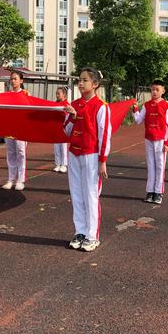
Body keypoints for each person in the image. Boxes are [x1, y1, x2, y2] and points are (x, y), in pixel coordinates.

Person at [64, 67, 111, 252]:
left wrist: (103, 160)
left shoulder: (101, 106)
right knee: (76, 194)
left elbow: (104, 134)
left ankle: (93, 235)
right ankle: (80, 231)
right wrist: (72, 117)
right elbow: (66, 131)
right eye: (79, 80)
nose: (80, 83)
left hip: (91, 155)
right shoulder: (73, 104)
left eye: (84, 80)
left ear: (95, 84)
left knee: (91, 194)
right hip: (74, 153)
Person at [132, 80, 168, 204]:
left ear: (163, 91)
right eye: (152, 89)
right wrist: (135, 110)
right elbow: (138, 120)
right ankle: (150, 191)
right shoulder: (147, 105)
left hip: (161, 140)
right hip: (149, 139)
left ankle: (158, 192)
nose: (154, 92)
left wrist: (167, 143)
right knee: (151, 166)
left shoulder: (167, 106)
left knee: (160, 166)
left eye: (157, 89)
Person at [2, 70, 29, 191]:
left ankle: (20, 180)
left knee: (21, 153)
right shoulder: (7, 95)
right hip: (9, 127)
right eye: (11, 79)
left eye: (15, 79)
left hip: (21, 128)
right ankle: (11, 179)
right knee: (11, 153)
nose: (13, 81)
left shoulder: (26, 94)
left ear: (21, 81)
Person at [53, 86, 69, 173]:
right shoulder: (54, 104)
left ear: (64, 95)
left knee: (63, 147)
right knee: (56, 147)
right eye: (56, 93)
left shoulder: (67, 105)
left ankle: (64, 164)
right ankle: (57, 164)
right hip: (56, 129)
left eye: (59, 93)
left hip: (63, 129)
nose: (57, 95)